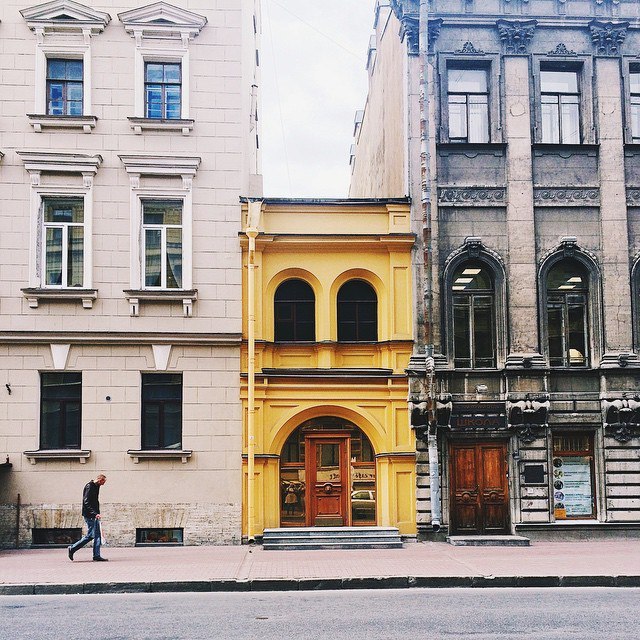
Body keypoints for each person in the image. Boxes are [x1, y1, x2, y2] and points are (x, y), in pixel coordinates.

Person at [67, 474, 108, 562]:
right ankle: (72, 548)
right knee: (91, 535)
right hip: (89, 515)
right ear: (99, 480)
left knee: (97, 535)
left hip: (95, 515)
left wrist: (97, 513)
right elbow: (86, 502)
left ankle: (96, 555)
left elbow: (95, 501)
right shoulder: (89, 486)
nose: (103, 484)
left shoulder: (97, 486)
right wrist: (94, 513)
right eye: (103, 482)